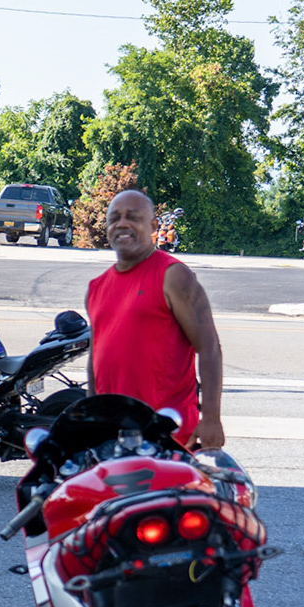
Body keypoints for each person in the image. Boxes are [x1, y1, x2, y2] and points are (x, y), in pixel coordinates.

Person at [86, 189, 225, 449]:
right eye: (114, 218)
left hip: (168, 435)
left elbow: (209, 349)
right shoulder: (97, 286)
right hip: (114, 436)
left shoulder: (174, 276)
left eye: (132, 217)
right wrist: (91, 418)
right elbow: (96, 362)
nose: (122, 224)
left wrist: (211, 419)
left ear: (153, 226)